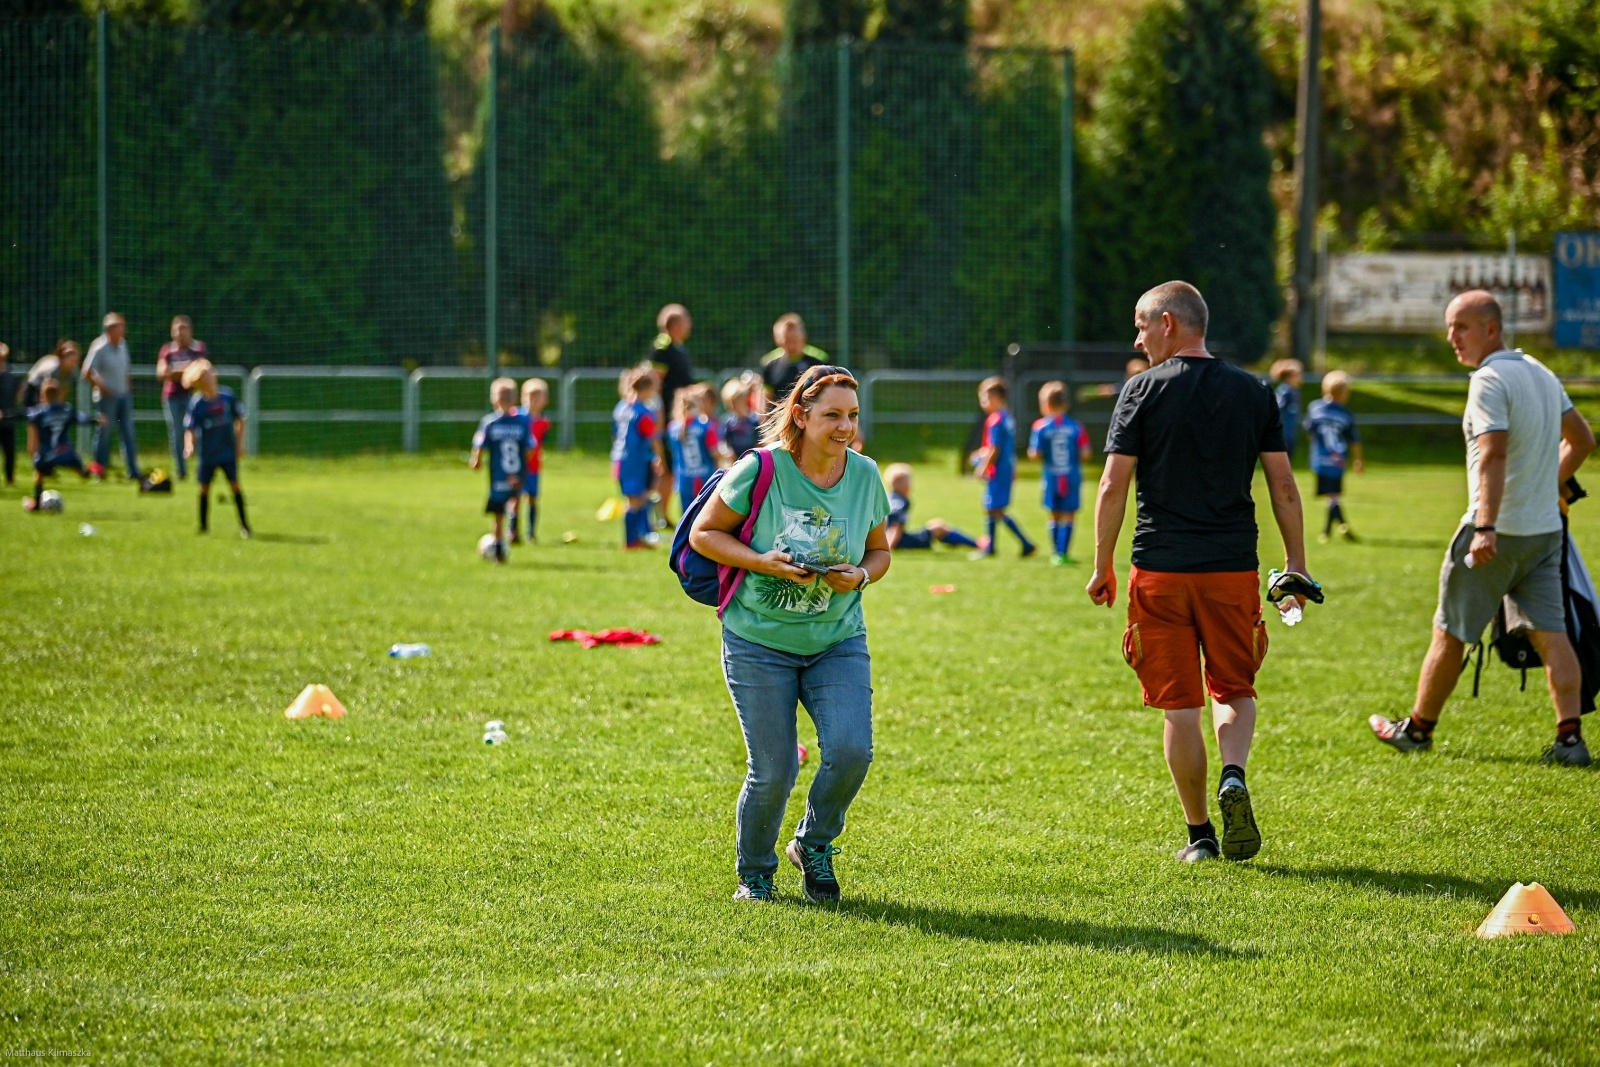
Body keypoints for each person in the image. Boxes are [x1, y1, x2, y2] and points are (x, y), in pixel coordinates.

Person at [1086, 281, 1309, 864]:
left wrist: (1101, 564)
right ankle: (1233, 773)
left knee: (1180, 706)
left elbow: (1113, 484)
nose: (1136, 338)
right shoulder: (1255, 392)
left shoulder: (1140, 391)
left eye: (1141, 325)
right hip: (1232, 568)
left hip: (1159, 568)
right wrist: (1297, 565)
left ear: (1168, 322)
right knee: (1233, 687)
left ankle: (1201, 835)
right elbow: (1282, 485)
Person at [689, 364, 890, 903]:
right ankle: (755, 874)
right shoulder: (760, 469)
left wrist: (863, 574)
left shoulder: (866, 474)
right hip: (758, 641)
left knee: (852, 751)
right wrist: (762, 562)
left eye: (851, 415)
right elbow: (705, 534)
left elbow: (880, 549)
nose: (845, 426)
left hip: (836, 638)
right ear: (800, 416)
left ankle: (814, 843)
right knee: (774, 769)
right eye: (832, 416)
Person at [1370, 290, 1596, 766]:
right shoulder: (1540, 371)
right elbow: (1582, 440)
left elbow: (1492, 451)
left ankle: (1418, 730)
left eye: (1462, 327)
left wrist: (1487, 526)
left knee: (1450, 633)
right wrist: (1545, 485)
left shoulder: (1489, 380)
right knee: (1553, 634)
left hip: (1495, 531)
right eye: (1450, 327)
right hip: (1543, 532)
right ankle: (1570, 740)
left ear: (1492, 329)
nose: (1452, 338)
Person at [181, 360, 251, 538]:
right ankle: (203, 526)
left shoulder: (227, 397)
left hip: (227, 452)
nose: (209, 382)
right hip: (208, 454)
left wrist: (240, 445)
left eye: (209, 376)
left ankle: (245, 526)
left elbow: (241, 420)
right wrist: (189, 446)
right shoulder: (198, 404)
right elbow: (190, 428)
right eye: (203, 380)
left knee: (235, 486)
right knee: (204, 489)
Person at [970, 376, 1036, 558]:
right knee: (994, 508)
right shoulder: (1007, 417)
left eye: (984, 398)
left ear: (996, 397)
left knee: (994, 508)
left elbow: (995, 448)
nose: (983, 403)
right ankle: (1016, 544)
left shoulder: (995, 420)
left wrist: (983, 465)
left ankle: (1020, 544)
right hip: (1006, 469)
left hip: (998, 471)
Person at [1028, 380, 1092, 565]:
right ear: (1066, 403)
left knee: (1053, 514)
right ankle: (1064, 552)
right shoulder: (1076, 426)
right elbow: (1086, 453)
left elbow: (1035, 454)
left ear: (1046, 404)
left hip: (1051, 477)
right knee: (1069, 514)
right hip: (1071, 476)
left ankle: (1055, 552)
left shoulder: (1040, 427)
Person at [469, 377, 532, 563]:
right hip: (517, 473)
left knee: (497, 515)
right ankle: (513, 528)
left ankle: (498, 551)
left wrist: (476, 461)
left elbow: (480, 445)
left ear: (493, 399)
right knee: (515, 499)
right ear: (515, 399)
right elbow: (529, 448)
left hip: (498, 475)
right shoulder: (522, 422)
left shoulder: (490, 423)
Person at [1305, 370, 1364, 542]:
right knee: (1333, 495)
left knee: (1332, 496)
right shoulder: (1345, 414)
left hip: (1320, 459)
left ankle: (1328, 532)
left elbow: (1310, 431)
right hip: (1337, 460)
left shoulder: (1315, 408)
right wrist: (1358, 460)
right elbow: (1354, 440)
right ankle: (1341, 526)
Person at [24, 378, 100, 511]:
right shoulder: (67, 410)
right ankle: (91, 471)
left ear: (42, 396)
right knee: (81, 471)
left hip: (47, 453)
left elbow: (21, 415)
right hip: (66, 452)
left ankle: (36, 503)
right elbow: (82, 419)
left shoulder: (38, 413)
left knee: (39, 473)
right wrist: (96, 419)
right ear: (59, 395)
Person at [650, 304, 696, 525]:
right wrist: (659, 417)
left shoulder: (679, 348)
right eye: (686, 320)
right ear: (675, 325)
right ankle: (660, 515)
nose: (690, 325)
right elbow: (655, 385)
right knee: (666, 467)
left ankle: (664, 515)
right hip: (667, 418)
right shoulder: (662, 348)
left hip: (679, 417)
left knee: (674, 466)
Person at [83, 312, 142, 481]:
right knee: (104, 435)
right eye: (119, 326)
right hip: (106, 399)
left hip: (124, 397)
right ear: (109, 329)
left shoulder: (123, 345)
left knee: (129, 433)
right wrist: (103, 388)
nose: (123, 329)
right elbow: (87, 372)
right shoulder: (99, 347)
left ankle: (133, 470)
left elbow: (126, 369)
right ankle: (99, 470)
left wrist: (128, 388)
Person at [611, 365, 664, 549]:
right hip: (636, 461)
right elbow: (652, 438)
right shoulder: (643, 413)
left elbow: (615, 434)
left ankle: (637, 537)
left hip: (620, 459)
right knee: (636, 501)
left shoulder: (621, 408)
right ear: (648, 389)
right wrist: (659, 457)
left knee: (636, 499)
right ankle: (631, 542)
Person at [883, 463, 978, 550]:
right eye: (908, 480)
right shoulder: (902, 502)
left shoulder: (888, 498)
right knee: (938, 526)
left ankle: (960, 543)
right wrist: (889, 547)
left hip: (885, 540)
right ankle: (977, 544)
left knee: (936, 526)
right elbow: (896, 526)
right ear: (903, 484)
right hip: (900, 542)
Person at [157, 316, 208, 480]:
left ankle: (203, 470)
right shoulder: (167, 350)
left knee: (199, 432)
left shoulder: (198, 348)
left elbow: (201, 370)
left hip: (193, 397)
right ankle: (181, 472)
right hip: (172, 397)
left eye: (184, 328)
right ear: (172, 332)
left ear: (190, 331)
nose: (181, 333)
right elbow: (162, 373)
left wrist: (176, 372)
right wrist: (186, 371)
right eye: (177, 329)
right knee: (177, 435)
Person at [511, 378, 552, 544]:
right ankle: (512, 531)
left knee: (533, 498)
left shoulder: (544, 422)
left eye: (537, 397)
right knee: (515, 499)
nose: (533, 401)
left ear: (545, 400)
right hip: (517, 466)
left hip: (534, 467)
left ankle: (531, 533)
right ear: (522, 398)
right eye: (529, 396)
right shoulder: (516, 417)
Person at [759, 314, 829, 408]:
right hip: (780, 419)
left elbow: (827, 393)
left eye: (794, 341)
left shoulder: (819, 360)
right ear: (777, 340)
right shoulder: (769, 363)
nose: (791, 346)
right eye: (787, 341)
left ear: (804, 337)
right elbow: (765, 397)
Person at [668, 384, 719, 507]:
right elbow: (714, 452)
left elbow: (673, 449)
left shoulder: (673, 428)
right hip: (704, 477)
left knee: (686, 514)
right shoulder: (707, 426)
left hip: (684, 478)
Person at [23, 339, 80, 410]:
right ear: (61, 357)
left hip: (51, 390)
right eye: (70, 354)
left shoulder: (74, 370)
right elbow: (45, 391)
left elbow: (64, 389)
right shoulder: (53, 370)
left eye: (75, 354)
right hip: (35, 387)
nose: (74, 357)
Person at [1269, 359, 1304, 464]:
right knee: (1283, 462)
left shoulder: (1295, 391)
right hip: (1284, 434)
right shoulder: (1284, 391)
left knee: (1290, 460)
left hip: (1291, 433)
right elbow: (1277, 408)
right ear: (1289, 377)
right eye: (1298, 374)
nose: (1301, 377)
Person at [720, 373, 760, 461]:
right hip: (735, 460)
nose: (733, 407)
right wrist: (727, 451)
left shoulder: (753, 420)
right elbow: (723, 442)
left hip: (751, 459)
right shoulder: (728, 422)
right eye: (730, 404)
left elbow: (759, 440)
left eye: (736, 403)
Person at [0, 343, 21, 486]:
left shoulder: (9, 375)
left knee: (10, 451)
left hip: (8, 419)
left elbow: (17, 394)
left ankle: (10, 478)